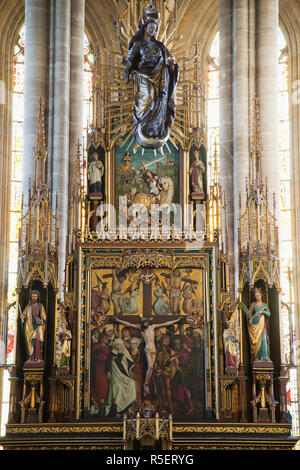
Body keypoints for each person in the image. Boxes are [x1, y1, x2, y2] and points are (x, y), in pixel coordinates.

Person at [121, 17, 179, 149]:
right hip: (143, 75)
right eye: (150, 27)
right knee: (148, 96)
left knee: (160, 100)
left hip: (160, 77)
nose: (152, 30)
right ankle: (143, 123)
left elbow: (170, 60)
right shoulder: (138, 44)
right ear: (145, 28)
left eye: (155, 28)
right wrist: (126, 63)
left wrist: (171, 63)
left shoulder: (160, 46)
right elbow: (130, 60)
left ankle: (155, 128)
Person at [115, 316, 181, 395]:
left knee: (151, 368)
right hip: (147, 349)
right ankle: (145, 385)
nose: (145, 323)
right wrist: (118, 320)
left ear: (147, 322)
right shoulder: (141, 329)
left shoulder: (152, 327)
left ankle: (146, 384)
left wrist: (177, 320)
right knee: (149, 367)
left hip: (153, 350)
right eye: (143, 322)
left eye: (146, 322)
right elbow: (129, 324)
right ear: (142, 323)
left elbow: (166, 323)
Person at [105, 338, 137, 415]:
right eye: (116, 344)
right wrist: (108, 372)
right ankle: (117, 408)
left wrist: (131, 371)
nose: (118, 346)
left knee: (132, 383)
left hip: (125, 377)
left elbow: (131, 364)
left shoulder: (125, 354)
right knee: (118, 387)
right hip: (116, 378)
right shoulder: (111, 355)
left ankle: (128, 406)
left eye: (119, 344)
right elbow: (107, 366)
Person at [239, 288, 271, 362]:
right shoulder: (253, 305)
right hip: (255, 325)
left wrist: (263, 312)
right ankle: (257, 357)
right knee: (256, 342)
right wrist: (250, 320)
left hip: (262, 325)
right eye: (256, 295)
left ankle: (265, 357)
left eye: (259, 295)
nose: (257, 297)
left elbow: (269, 314)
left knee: (263, 340)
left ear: (261, 296)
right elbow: (249, 315)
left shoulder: (264, 305)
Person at [20, 290, 47, 363]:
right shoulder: (28, 306)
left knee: (37, 341)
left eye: (35, 296)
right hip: (30, 327)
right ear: (30, 297)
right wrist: (22, 316)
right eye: (33, 296)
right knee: (30, 342)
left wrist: (41, 321)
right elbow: (24, 314)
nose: (34, 298)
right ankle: (30, 358)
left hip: (38, 327)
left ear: (38, 297)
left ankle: (38, 358)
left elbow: (44, 318)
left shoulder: (40, 306)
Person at [91, 332, 110, 405]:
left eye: (108, 338)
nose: (107, 339)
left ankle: (102, 400)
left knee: (105, 385)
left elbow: (108, 358)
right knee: (100, 384)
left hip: (105, 368)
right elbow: (96, 357)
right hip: (98, 368)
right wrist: (106, 358)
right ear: (102, 338)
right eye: (105, 338)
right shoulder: (96, 347)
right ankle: (98, 400)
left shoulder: (107, 348)